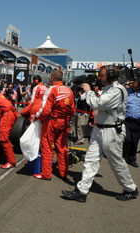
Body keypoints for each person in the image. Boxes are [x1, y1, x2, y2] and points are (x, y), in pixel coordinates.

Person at [62, 65, 138, 202]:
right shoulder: (107, 89)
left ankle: (130, 188)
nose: (99, 77)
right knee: (90, 160)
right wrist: (90, 92)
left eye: (102, 75)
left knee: (116, 163)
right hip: (99, 129)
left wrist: (89, 91)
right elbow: (95, 101)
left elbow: (98, 103)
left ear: (109, 76)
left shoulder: (118, 91)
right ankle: (82, 191)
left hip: (112, 131)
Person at [33, 70, 75, 180]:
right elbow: (72, 110)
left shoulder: (51, 90)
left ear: (52, 78)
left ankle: (46, 174)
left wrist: (38, 117)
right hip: (64, 122)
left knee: (47, 146)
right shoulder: (69, 91)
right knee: (62, 147)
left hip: (51, 122)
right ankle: (63, 172)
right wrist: (67, 120)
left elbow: (45, 110)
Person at [123, 78, 140, 168]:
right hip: (127, 121)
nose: (132, 84)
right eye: (131, 82)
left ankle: (132, 159)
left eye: (134, 82)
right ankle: (125, 157)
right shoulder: (126, 92)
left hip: (138, 122)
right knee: (127, 140)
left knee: (134, 141)